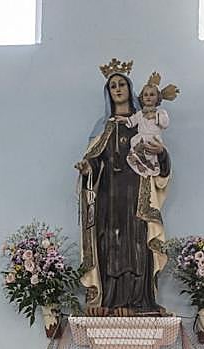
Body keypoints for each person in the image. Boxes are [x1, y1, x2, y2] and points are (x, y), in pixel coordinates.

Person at [76, 62, 172, 314]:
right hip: (108, 196)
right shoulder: (102, 127)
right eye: (112, 86)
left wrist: (161, 153)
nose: (117, 89)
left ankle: (140, 302)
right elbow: (94, 161)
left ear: (130, 89)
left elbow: (160, 168)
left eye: (121, 85)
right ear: (108, 92)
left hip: (137, 193)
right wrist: (88, 169)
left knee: (137, 243)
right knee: (110, 243)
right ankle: (109, 301)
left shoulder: (141, 124)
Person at [117, 73, 177, 178]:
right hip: (141, 137)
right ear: (142, 98)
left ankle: (149, 166)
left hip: (153, 139)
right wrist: (124, 119)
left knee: (150, 152)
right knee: (136, 144)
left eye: (152, 95)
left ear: (158, 97)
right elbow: (132, 121)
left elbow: (165, 123)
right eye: (146, 95)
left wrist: (156, 116)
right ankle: (138, 161)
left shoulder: (160, 112)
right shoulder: (141, 113)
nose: (148, 97)